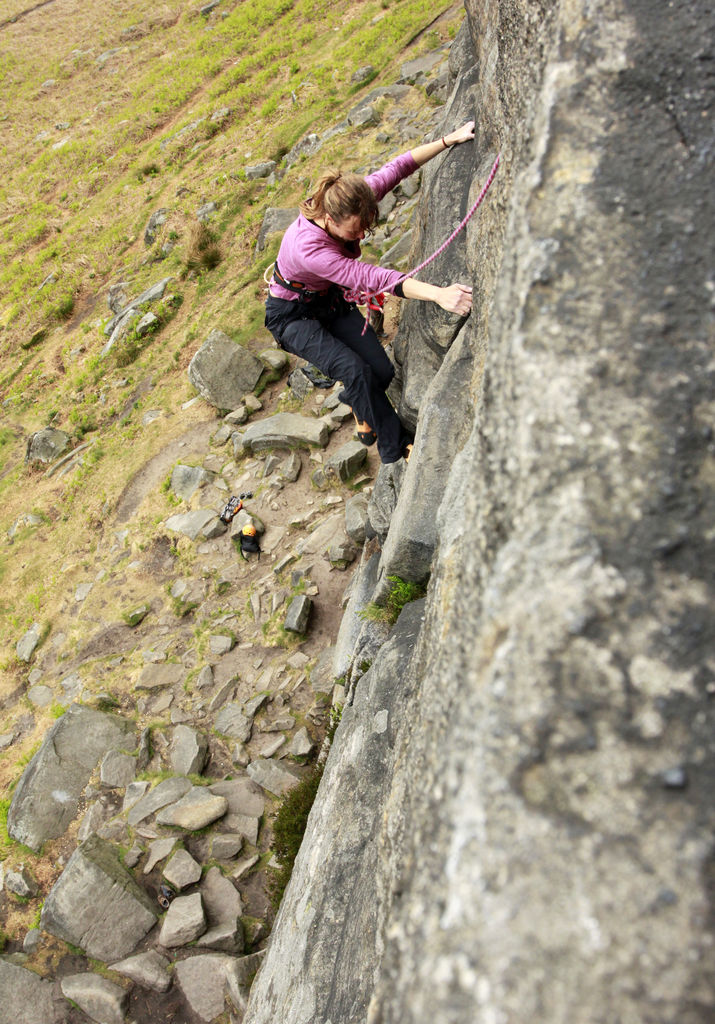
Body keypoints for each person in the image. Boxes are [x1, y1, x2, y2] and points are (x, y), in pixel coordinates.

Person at [264, 121, 476, 464]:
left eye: (365, 226)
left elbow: (399, 167)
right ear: (331, 219)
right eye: (355, 230)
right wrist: (438, 294)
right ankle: (396, 447)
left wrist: (446, 140)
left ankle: (360, 407)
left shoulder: (351, 200)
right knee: (356, 371)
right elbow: (373, 277)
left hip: (327, 301)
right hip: (292, 316)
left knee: (382, 372)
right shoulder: (311, 250)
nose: (361, 235)